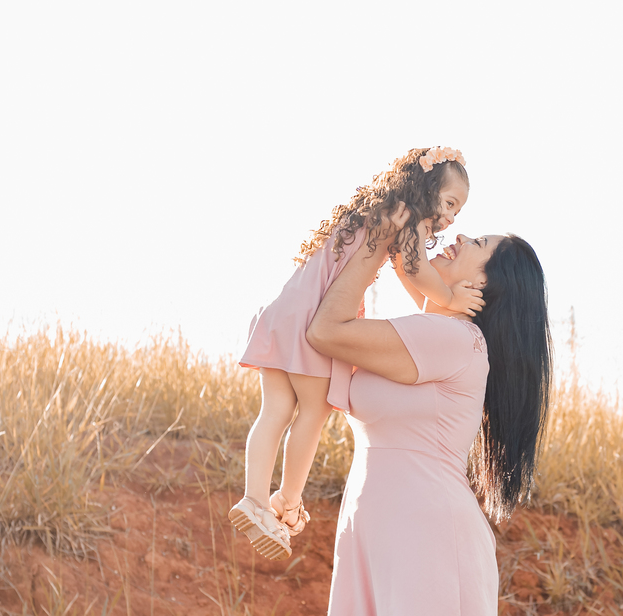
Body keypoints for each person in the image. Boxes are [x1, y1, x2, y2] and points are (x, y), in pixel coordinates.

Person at [229, 147, 485, 560]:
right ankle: (288, 503)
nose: (453, 218)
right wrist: (451, 298)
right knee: (312, 412)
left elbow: (406, 270)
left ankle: (253, 499)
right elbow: (417, 271)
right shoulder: (408, 218)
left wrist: (430, 303)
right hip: (315, 316)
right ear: (429, 189)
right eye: (451, 203)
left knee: (274, 410)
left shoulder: (381, 207)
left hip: (286, 308)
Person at [306, 229, 552, 615]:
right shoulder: (432, 332)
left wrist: (376, 239)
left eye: (477, 244)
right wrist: (396, 224)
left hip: (426, 536)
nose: (462, 234)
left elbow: (324, 332)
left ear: (483, 283)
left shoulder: (452, 338)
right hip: (375, 526)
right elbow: (407, 263)